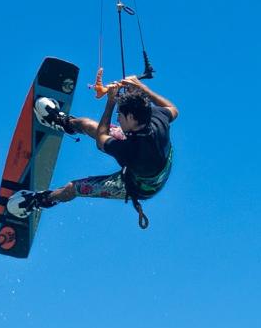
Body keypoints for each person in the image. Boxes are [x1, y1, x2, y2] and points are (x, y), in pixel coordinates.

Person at [13, 72, 177, 229]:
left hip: (138, 186)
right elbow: (172, 108)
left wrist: (111, 102)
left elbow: (101, 140)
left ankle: (40, 200)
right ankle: (61, 121)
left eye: (120, 115)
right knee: (87, 125)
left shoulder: (132, 151)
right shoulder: (155, 116)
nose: (117, 118)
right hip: (150, 155)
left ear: (132, 118)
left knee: (73, 188)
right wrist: (141, 87)